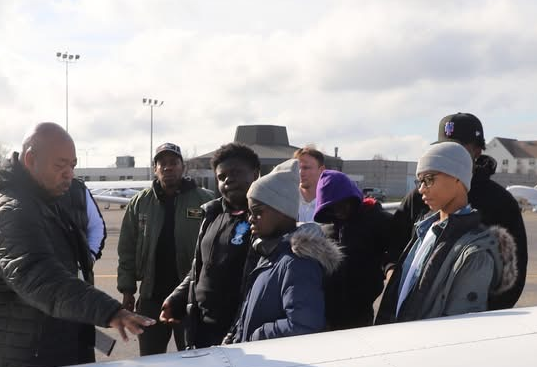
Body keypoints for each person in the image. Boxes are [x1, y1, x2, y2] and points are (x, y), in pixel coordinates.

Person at [0, 122, 154, 367]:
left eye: (72, 166)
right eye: (60, 165)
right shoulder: (12, 211)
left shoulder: (44, 199)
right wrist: (108, 310)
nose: (69, 174)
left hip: (45, 348)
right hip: (22, 362)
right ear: (31, 160)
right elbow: (41, 278)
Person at [388, 113, 527, 309]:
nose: (450, 153)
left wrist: (488, 317)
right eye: (444, 146)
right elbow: (394, 241)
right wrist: (393, 273)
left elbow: (512, 272)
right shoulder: (419, 196)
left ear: (478, 150)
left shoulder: (500, 202)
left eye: (459, 147)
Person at [376, 142, 517, 324]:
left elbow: (456, 331)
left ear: (457, 178)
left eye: (429, 179)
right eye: (419, 181)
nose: (421, 189)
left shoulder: (474, 253)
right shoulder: (425, 229)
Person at [117, 142, 216, 355]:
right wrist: (127, 290)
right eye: (162, 163)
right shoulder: (139, 203)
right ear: (155, 169)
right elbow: (127, 248)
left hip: (190, 298)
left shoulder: (206, 201)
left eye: (173, 163)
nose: (167, 167)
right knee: (151, 360)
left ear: (183, 167)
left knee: (193, 358)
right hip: (152, 297)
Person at [226, 164, 342, 343]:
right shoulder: (271, 253)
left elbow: (303, 326)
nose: (250, 219)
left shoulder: (297, 263)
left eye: (257, 212)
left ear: (281, 211)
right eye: (250, 212)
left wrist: (255, 337)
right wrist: (236, 336)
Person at [161, 143, 261, 348]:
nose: (228, 180)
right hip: (201, 329)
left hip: (239, 333)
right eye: (222, 177)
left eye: (236, 173)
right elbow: (201, 266)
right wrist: (178, 297)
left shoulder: (264, 219)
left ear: (256, 174)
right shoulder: (212, 215)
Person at [312, 170, 393, 329]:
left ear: (353, 199)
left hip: (364, 309)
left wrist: (389, 267)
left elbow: (395, 246)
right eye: (332, 207)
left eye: (343, 204)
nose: (339, 211)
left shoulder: (375, 220)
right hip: (329, 312)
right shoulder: (325, 231)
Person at [295, 146, 327, 223]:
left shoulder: (330, 205)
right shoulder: (285, 200)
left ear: (321, 170)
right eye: (297, 168)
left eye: (306, 168)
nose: (300, 172)